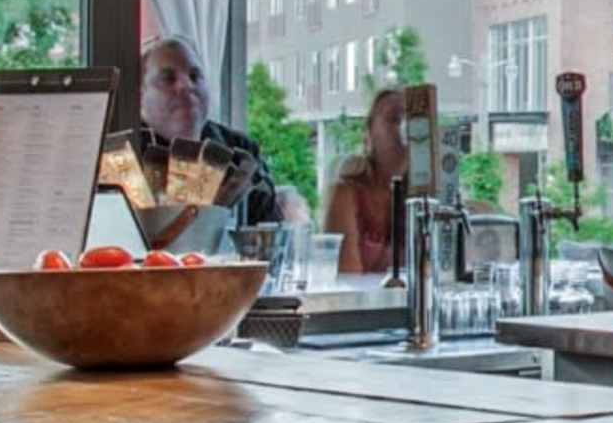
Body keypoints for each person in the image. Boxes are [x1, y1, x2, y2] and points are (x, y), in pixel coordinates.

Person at [135, 36, 289, 236]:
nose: (186, 86)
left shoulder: (241, 152)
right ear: (139, 95)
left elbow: (267, 236)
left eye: (195, 76)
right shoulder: (122, 154)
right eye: (168, 79)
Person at [320, 84, 413, 281]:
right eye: (394, 119)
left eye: (414, 122)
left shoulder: (423, 201)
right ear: (369, 133)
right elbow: (348, 281)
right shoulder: (347, 195)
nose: (405, 131)